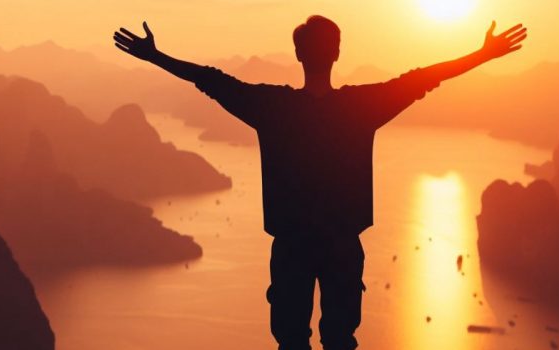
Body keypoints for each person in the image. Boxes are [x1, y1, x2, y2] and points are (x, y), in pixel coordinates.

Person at [114, 15, 526, 350]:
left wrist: (155, 57)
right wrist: (483, 54)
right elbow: (423, 79)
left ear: (297, 54)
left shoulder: (273, 108)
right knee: (340, 340)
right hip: (342, 245)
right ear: (338, 53)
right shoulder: (360, 107)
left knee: (291, 340)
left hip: (291, 246)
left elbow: (209, 79)